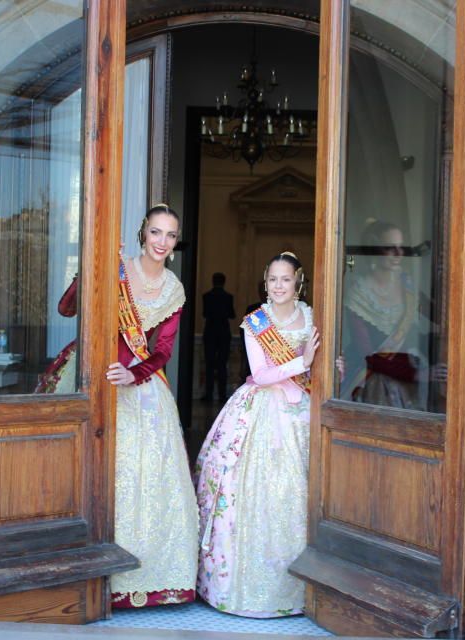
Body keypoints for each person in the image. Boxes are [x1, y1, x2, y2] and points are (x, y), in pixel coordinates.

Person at [194, 251, 320, 617]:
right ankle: (248, 589)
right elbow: (262, 374)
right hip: (261, 412)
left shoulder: (311, 315)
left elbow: (316, 366)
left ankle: (303, 589)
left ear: (298, 282)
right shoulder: (255, 322)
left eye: (285, 279)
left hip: (302, 413)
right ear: (265, 283)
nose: (278, 286)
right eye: (272, 280)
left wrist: (327, 366)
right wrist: (304, 362)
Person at [105, 203, 199, 609]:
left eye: (170, 235)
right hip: (105, 380)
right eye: (156, 232)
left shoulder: (173, 288)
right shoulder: (119, 269)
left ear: (176, 243)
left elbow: (163, 351)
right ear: (144, 233)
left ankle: (155, 580)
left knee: (152, 480)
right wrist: (101, 263)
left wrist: (135, 374)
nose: (162, 241)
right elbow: (68, 307)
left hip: (144, 388)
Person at [342, 219, 444, 410]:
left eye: (401, 247)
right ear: (375, 250)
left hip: (407, 368)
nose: (399, 254)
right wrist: (416, 374)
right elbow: (368, 355)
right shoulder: (358, 293)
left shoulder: (406, 283)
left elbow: (435, 314)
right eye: (390, 248)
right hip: (372, 376)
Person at [201, 272, 235, 402]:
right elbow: (232, 315)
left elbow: (205, 314)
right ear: (224, 282)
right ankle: (222, 395)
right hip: (223, 333)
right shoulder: (228, 297)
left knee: (209, 365)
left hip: (210, 332)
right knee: (222, 365)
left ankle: (209, 394)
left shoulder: (207, 296)